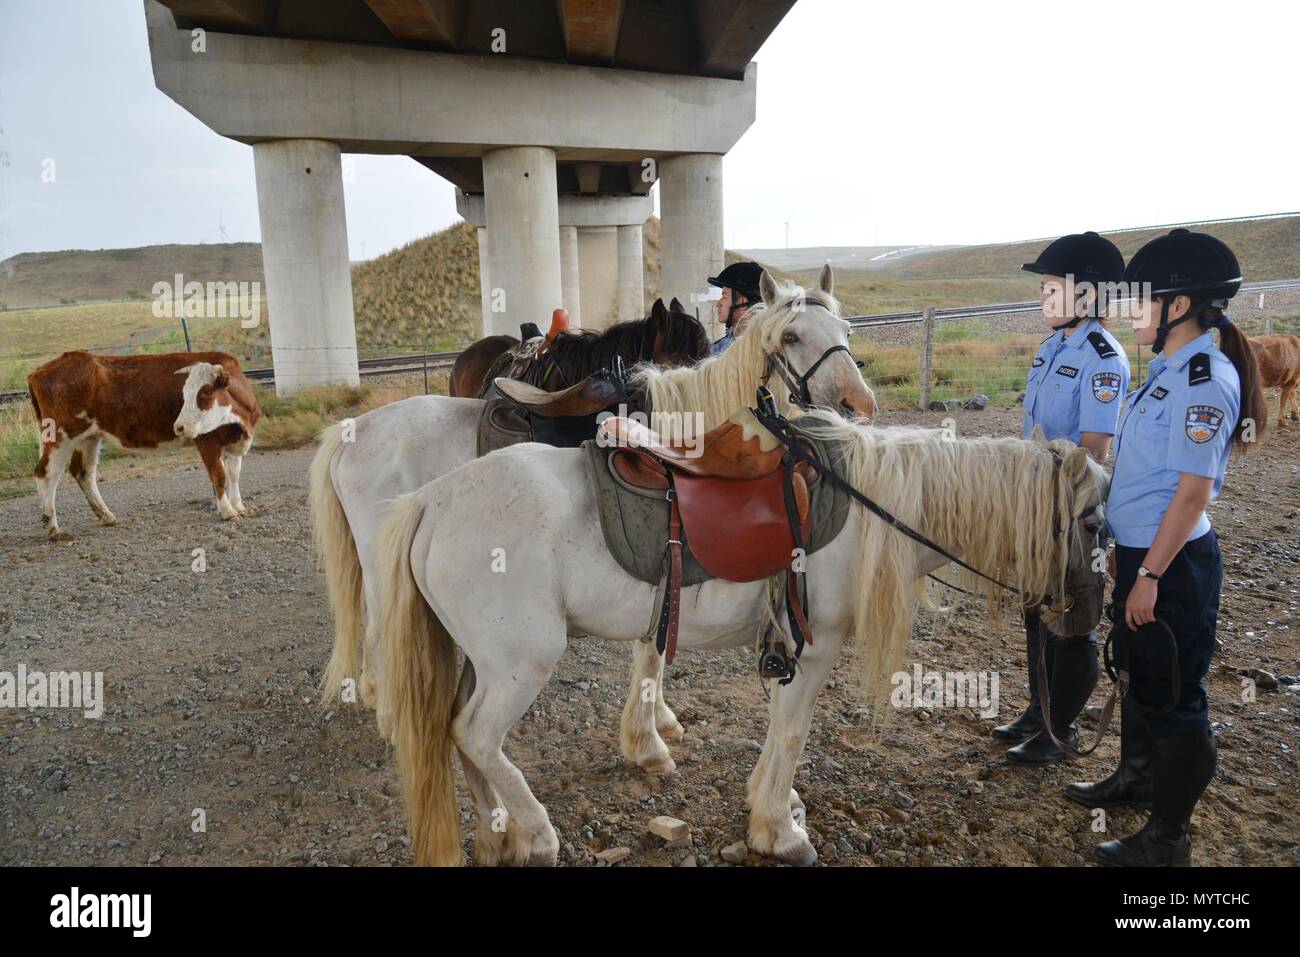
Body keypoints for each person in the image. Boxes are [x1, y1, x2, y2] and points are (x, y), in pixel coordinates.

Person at [1067, 228, 1266, 866]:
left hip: (1173, 565)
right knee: (1139, 672)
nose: (1131, 314)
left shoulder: (1203, 380)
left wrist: (1150, 572)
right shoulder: (1168, 371)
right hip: (1144, 554)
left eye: (1143, 300)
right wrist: (1128, 553)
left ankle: (1168, 838)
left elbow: (1193, 495)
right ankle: (1137, 777)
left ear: (1178, 306)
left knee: (1177, 697)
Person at [994, 232, 1130, 764]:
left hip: (1071, 508)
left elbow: (1093, 449)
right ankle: (1039, 712)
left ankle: (1064, 730)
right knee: (1036, 610)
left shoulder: (1102, 358)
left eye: (1053, 289)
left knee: (1070, 619)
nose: (1044, 298)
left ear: (1088, 296)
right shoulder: (1052, 346)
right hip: (1036, 502)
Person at [706, 261, 764, 354]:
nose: (718, 303)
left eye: (724, 297)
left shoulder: (762, 350)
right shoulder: (716, 349)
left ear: (742, 301)